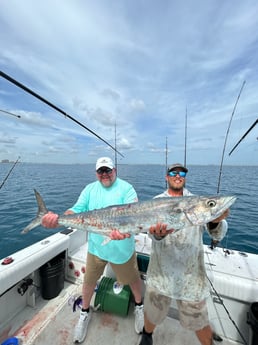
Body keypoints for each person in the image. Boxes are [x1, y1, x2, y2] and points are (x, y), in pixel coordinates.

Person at [41, 157, 144, 343]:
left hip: (122, 250)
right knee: (88, 282)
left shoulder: (127, 189)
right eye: (100, 171)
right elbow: (76, 210)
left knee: (133, 280)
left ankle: (139, 306)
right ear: (96, 173)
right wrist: (58, 219)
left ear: (115, 170)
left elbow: (133, 213)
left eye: (108, 170)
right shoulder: (89, 189)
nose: (104, 174)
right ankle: (84, 312)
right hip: (96, 248)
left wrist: (126, 230)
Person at [138, 163, 230, 345]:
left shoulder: (197, 202)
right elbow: (151, 233)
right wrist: (158, 234)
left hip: (191, 275)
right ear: (167, 177)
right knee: (152, 313)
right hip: (160, 272)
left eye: (182, 173)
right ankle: (147, 335)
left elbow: (217, 234)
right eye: (173, 172)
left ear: (185, 177)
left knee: (198, 320)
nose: (178, 175)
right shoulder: (157, 201)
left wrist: (215, 220)